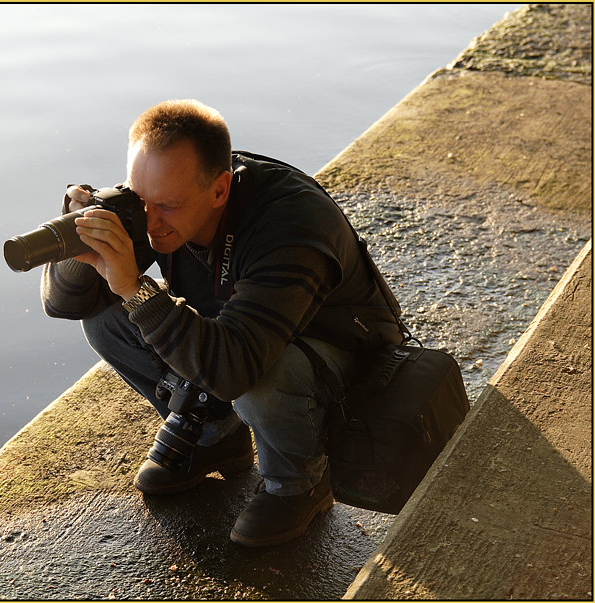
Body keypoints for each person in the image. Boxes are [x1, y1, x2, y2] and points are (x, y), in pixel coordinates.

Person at [40, 99, 402, 547]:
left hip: (343, 354)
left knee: (262, 376)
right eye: (140, 200)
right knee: (103, 319)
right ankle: (215, 434)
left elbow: (237, 368)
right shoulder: (162, 203)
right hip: (244, 336)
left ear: (219, 190)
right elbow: (65, 305)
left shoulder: (291, 226)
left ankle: (300, 483)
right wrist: (80, 246)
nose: (150, 221)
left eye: (166, 206)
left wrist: (136, 288)